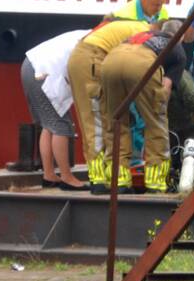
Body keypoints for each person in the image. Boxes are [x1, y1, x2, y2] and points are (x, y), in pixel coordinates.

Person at [67, 18, 156, 194]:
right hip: (93, 59)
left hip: (87, 58)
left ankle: (104, 179)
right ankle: (113, 181)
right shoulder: (145, 37)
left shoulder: (134, 28)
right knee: (109, 122)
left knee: (99, 122)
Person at [100, 20, 188, 193]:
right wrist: (156, 109)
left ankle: (118, 183)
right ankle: (155, 185)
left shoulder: (143, 35)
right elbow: (165, 90)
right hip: (142, 63)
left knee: (116, 122)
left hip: (111, 61)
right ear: (181, 36)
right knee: (156, 123)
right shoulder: (177, 50)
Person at [21, 30, 90, 191]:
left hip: (29, 64)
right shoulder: (94, 42)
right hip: (43, 71)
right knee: (61, 125)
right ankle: (67, 177)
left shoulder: (84, 34)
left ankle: (49, 175)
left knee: (48, 125)